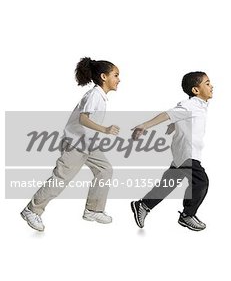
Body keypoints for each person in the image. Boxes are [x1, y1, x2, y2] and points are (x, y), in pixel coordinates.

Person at [20, 57, 121, 231]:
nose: (119, 79)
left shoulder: (101, 97)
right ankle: (31, 210)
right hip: (75, 144)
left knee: (105, 170)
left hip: (88, 144)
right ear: (104, 77)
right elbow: (83, 119)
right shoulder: (94, 95)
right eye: (116, 75)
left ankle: (93, 210)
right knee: (61, 179)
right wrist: (105, 130)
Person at [130, 71, 213, 231]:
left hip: (183, 154)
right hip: (188, 154)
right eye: (207, 83)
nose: (212, 86)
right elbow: (168, 114)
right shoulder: (190, 105)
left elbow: (182, 119)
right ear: (196, 90)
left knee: (168, 184)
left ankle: (143, 205)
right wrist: (145, 125)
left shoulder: (200, 106)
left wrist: (174, 125)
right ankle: (187, 215)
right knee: (201, 181)